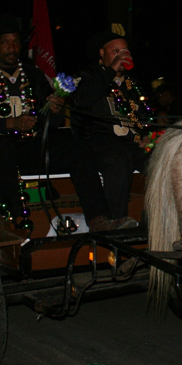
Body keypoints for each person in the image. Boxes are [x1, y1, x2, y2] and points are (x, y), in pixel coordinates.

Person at [0, 16, 105, 230]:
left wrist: (55, 110)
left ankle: (98, 218)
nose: (12, 47)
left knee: (78, 148)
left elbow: (49, 121)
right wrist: (10, 124)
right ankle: (18, 218)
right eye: (5, 42)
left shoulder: (33, 76)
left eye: (16, 42)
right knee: (3, 146)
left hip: (28, 146)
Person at [72, 31, 150, 232]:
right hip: (99, 139)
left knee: (160, 159)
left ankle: (151, 221)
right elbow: (82, 101)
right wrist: (110, 70)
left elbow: (144, 116)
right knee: (118, 159)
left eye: (124, 51)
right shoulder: (87, 76)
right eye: (115, 51)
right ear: (102, 53)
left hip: (129, 142)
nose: (121, 55)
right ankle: (117, 223)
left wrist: (146, 135)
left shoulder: (133, 84)